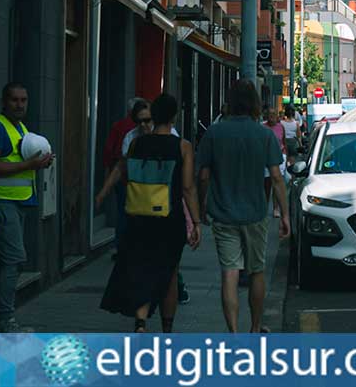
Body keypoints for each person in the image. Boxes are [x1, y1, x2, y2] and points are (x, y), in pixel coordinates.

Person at [99, 93, 201, 332]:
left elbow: (124, 170)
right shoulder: (182, 146)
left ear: (153, 116)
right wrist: (196, 222)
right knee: (170, 273)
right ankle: (167, 329)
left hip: (139, 215)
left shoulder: (136, 144)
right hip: (169, 218)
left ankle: (141, 321)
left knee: (141, 267)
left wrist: (103, 193)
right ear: (174, 116)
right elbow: (187, 187)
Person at [197, 80, 289, 333]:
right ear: (255, 104)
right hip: (256, 213)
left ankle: (234, 334)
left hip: (223, 213)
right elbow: (277, 177)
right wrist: (284, 215)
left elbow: (203, 176)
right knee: (257, 271)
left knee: (229, 273)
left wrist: (202, 206)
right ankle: (255, 327)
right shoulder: (264, 135)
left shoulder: (214, 133)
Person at [0, 82, 53, 333]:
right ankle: (6, 321)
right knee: (14, 260)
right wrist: (31, 164)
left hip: (19, 203)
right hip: (3, 202)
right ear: (3, 101)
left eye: (24, 100)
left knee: (4, 264)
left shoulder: (20, 128)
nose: (20, 105)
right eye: (14, 100)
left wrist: (39, 163)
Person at [105, 98, 148, 257]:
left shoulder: (120, 127)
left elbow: (109, 151)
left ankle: (121, 246)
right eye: (139, 120)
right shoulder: (131, 134)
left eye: (146, 120)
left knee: (123, 214)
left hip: (127, 182)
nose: (143, 124)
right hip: (130, 182)